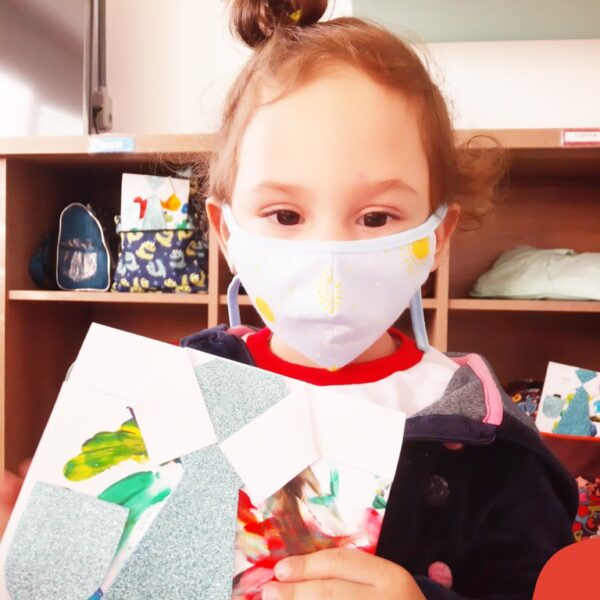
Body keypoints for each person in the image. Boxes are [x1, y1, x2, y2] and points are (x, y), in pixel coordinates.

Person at [1, 1, 577, 599]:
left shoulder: (490, 441)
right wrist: (43, 552)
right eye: (285, 214)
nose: (330, 254)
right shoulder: (169, 398)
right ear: (225, 231)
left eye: (376, 217)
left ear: (438, 234)